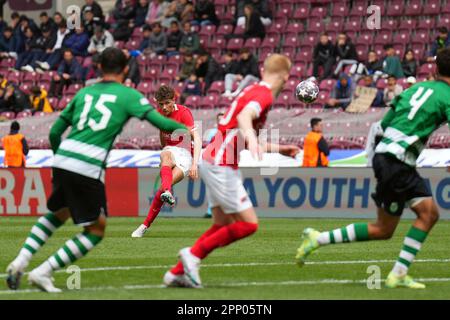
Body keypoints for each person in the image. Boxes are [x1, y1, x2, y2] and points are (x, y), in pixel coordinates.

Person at [5, 47, 187, 293]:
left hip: (63, 158)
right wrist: (189, 132)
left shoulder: (84, 92)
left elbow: (54, 132)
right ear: (125, 69)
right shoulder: (128, 95)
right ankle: (42, 272)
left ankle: (19, 262)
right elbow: (163, 123)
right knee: (96, 229)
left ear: (100, 67)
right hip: (88, 165)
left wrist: (61, 160)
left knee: (60, 212)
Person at [295, 48, 450, 289]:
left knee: (400, 224)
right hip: (397, 162)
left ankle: (319, 239)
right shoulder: (447, 96)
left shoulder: (416, 88)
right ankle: (396, 273)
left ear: (435, 68)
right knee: (401, 223)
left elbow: (384, 124)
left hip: (388, 157)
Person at [164, 54, 300, 288]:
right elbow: (245, 118)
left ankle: (175, 274)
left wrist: (280, 149)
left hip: (214, 158)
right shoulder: (264, 94)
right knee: (249, 224)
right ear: (285, 76)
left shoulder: (251, 90)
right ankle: (192, 255)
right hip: (221, 163)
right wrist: (253, 139)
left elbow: (238, 130)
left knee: (222, 224)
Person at [132, 85, 201, 237]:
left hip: (185, 155)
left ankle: (147, 222)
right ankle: (144, 226)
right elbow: (162, 133)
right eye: (161, 104)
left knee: (162, 189)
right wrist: (164, 149)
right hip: (170, 150)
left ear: (174, 100)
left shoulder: (184, 113)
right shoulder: (158, 114)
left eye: (167, 103)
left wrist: (195, 163)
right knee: (165, 155)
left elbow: (197, 138)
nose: (164, 107)